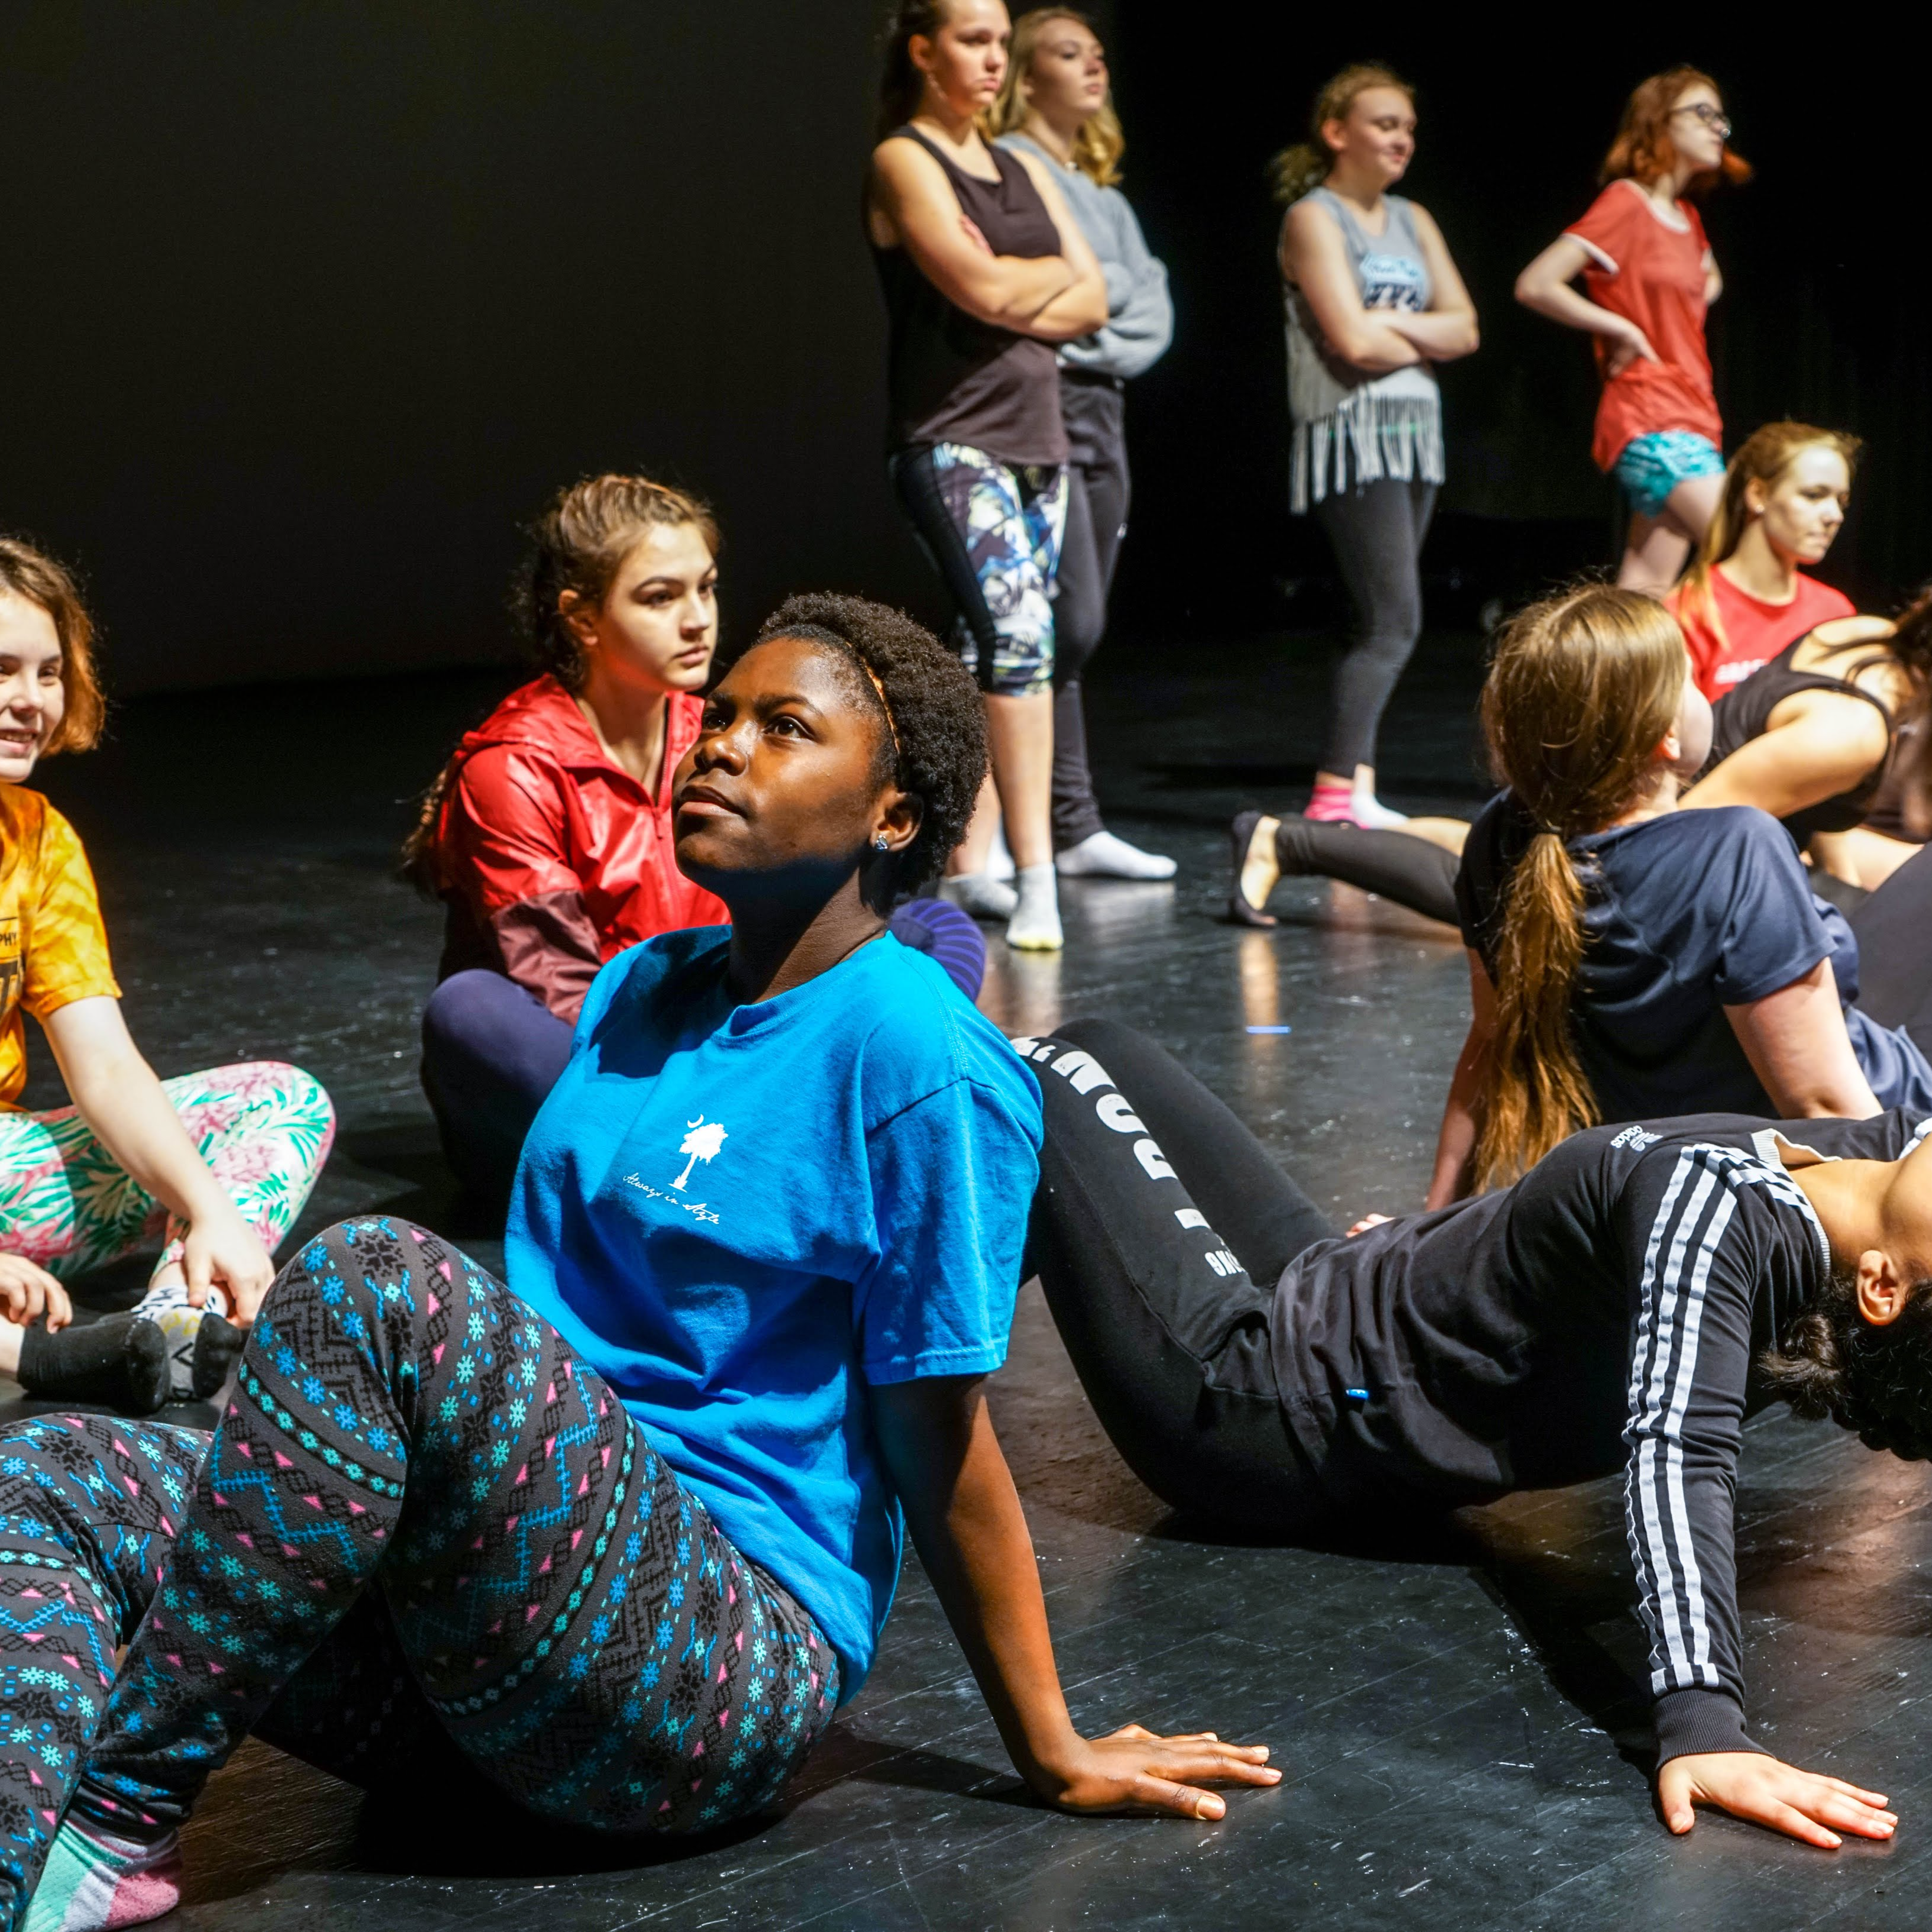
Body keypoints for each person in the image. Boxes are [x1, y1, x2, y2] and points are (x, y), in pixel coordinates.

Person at [15, 595, 1275, 1930]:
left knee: (378, 1278)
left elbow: (936, 1423)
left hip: (703, 1669)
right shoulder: (639, 988)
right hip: (492, 1645)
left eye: (783, 728)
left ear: (893, 815)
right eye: (718, 716)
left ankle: (119, 1816)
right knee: (56, 1470)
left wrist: (1050, 1741)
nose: (720, 746)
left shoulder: (920, 1059)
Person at [1022, 1013, 1923, 1850]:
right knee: (1099, 1038)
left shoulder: (1729, 1219)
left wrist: (1702, 1722)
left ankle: (909, 1362)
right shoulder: (1873, 1162)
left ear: (1882, 1286)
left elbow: (1679, 1454)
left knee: (1040, 1072)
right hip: (1327, 1281)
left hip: (1263, 1396)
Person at [404, 474, 983, 1202]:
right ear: (583, 619)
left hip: (716, 1038)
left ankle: (805, 1113)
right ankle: (772, 1130)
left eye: (705, 588)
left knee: (928, 926)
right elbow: (563, 995)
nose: (697, 620)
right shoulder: (513, 767)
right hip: (594, 1068)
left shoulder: (709, 732)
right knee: (468, 1009)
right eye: (659, 597)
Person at [1433, 587, 1932, 1207]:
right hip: (1875, 1136)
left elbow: (1488, 1042)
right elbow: (1828, 1111)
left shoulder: (1500, 835)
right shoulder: (1732, 848)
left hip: (1657, 1173)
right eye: (1689, 681)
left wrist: (1428, 1225)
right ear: (1665, 736)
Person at [0, 538, 333, 1414]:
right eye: (0, 671)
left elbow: (104, 1067)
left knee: (283, 1101)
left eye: (46, 673)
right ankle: (40, 1357)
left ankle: (163, 1334)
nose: (28, 701)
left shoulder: (37, 838)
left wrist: (210, 1207)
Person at [866, 0, 1110, 949]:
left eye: (1002, 42)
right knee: (1018, 638)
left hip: (1036, 439)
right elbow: (979, 290)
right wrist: (1029, 282)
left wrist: (1022, 283)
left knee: (994, 643)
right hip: (952, 435)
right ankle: (1034, 872)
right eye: (974, 39)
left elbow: (1090, 293)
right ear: (923, 51)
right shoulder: (904, 159)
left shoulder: (1015, 167)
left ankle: (974, 862)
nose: (994, 59)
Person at [988, 7, 1175, 881]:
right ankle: (1007, 818)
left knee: (1076, 623)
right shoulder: (1015, 171)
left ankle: (1071, 820)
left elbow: (1146, 301)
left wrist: (1097, 327)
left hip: (1104, 403)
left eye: (1099, 54)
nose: (1093, 68)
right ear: (1027, 78)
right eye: (1069, 54)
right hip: (1048, 400)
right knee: (1059, 617)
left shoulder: (1103, 192)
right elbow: (1058, 303)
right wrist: (1094, 321)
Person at [1271, 64, 1478, 829]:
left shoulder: (1414, 219)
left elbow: (1467, 327)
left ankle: (1353, 782)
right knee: (1394, 619)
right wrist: (1413, 336)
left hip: (1412, 435)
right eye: (1385, 124)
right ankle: (1333, 794)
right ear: (1337, 132)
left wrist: (1390, 329)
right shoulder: (1313, 218)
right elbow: (1350, 341)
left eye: (1408, 128)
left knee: (1373, 619)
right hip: (1352, 435)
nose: (1401, 139)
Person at [1515, 67, 1750, 597]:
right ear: (1656, 124)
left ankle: (1610, 683)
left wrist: (1683, 298)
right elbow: (1536, 283)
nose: (1717, 128)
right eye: (1701, 113)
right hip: (1650, 414)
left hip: (1693, 412)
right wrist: (1621, 325)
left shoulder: (1688, 219)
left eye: (1721, 118)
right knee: (1748, 545)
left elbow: (1708, 281)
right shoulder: (1627, 201)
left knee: (1645, 592)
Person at [1683, 590, 1930, 894]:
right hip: (1687, 870)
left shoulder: (1867, 634)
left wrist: (1844, 884)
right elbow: (1683, 828)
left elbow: (1808, 790)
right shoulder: (1853, 733)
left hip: (1732, 858)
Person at [1666, 422, 1858, 702]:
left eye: (1841, 501)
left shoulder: (1835, 612)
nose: (1834, 516)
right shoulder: (1689, 612)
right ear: (1758, 494)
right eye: (1814, 495)